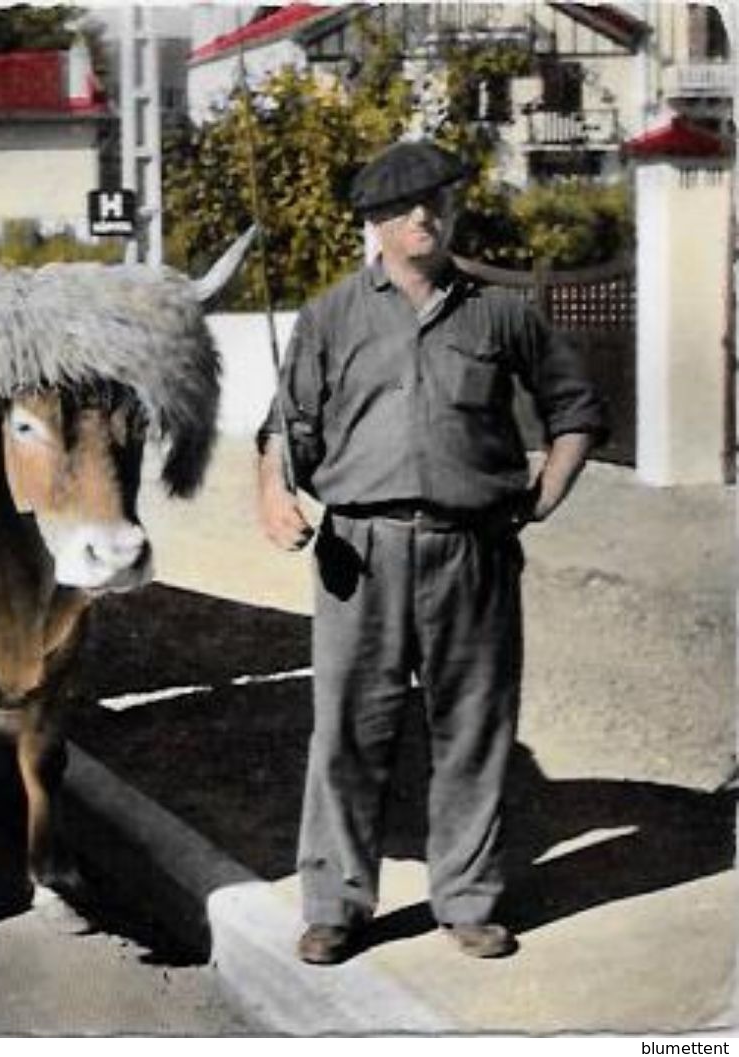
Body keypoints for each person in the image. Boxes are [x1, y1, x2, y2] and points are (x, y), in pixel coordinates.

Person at [255, 139, 608, 965]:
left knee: (474, 729)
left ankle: (468, 899)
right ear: (374, 222)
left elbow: (575, 408)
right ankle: (336, 902)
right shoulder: (329, 315)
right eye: (405, 206)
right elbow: (284, 427)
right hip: (358, 552)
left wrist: (546, 493)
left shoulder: (498, 313)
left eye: (438, 201)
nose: (425, 216)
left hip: (472, 551)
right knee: (346, 730)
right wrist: (272, 492)